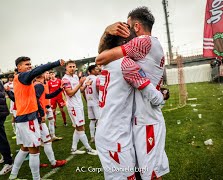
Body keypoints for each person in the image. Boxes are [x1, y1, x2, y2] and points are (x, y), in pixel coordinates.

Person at [96, 6, 170, 179]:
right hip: (125, 128)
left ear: (136, 27)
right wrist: (161, 95)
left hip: (145, 122)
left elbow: (100, 57)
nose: (126, 30)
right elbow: (103, 55)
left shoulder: (143, 42)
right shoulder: (126, 62)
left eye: (128, 26)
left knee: (149, 175)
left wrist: (107, 33)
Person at [8, 56, 64, 180]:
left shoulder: (22, 79)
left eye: (30, 64)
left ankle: (13, 175)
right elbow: (35, 71)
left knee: (24, 149)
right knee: (34, 150)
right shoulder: (23, 77)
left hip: (25, 118)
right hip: (27, 119)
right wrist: (56, 63)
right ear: (19, 67)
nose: (29, 66)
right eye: (26, 64)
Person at [61, 60, 97, 155]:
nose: (72, 68)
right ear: (66, 68)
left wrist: (85, 85)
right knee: (80, 127)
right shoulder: (65, 79)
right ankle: (89, 149)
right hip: (73, 106)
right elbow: (70, 93)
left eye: (73, 66)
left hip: (79, 105)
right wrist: (80, 83)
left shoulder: (76, 77)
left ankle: (74, 149)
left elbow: (80, 90)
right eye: (70, 67)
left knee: (78, 127)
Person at [83, 65, 100, 143]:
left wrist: (86, 100)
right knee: (99, 120)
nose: (97, 70)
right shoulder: (96, 78)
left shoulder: (85, 79)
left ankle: (92, 136)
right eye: (95, 69)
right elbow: (98, 89)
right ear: (92, 71)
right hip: (96, 102)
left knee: (92, 120)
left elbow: (83, 91)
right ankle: (99, 136)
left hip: (89, 102)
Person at [4, 74, 17, 140]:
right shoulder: (7, 84)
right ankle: (14, 130)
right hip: (12, 100)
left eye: (12, 78)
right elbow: (5, 87)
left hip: (17, 99)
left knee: (17, 115)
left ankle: (17, 131)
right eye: (10, 78)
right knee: (14, 115)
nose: (11, 79)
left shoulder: (16, 83)